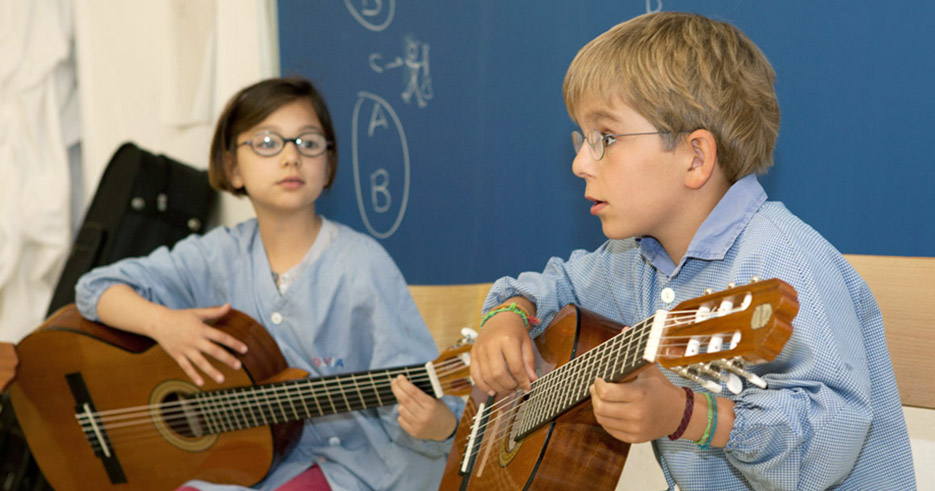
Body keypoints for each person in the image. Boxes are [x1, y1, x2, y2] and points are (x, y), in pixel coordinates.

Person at [469, 12, 915, 490]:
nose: (580, 163)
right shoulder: (632, 259)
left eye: (607, 138)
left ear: (695, 157)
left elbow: (831, 439)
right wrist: (512, 313)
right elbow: (557, 285)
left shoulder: (781, 259)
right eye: (582, 139)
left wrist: (690, 416)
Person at [75, 77, 462, 490]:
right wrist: (163, 325)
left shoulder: (362, 265)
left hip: (357, 465)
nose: (290, 158)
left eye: (308, 143)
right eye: (266, 142)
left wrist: (438, 423)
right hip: (246, 465)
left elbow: (427, 398)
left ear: (328, 166)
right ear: (232, 168)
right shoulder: (215, 255)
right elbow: (95, 289)